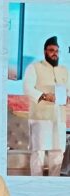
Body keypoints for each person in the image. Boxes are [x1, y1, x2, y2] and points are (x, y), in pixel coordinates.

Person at [23, 36, 70, 176]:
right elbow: (27, 88)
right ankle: (36, 185)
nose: (54, 53)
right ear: (45, 52)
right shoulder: (35, 67)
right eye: (51, 50)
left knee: (58, 153)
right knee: (38, 152)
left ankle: (51, 184)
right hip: (40, 117)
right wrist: (44, 96)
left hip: (59, 117)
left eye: (56, 51)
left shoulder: (64, 70)